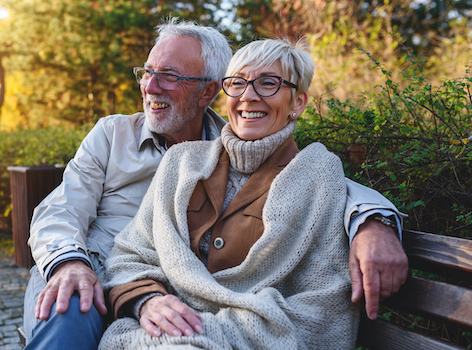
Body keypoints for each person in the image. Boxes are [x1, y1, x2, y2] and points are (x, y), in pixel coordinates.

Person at [23, 19, 407, 349]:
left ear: (208, 91)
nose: (151, 86)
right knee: (68, 306)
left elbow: (316, 179)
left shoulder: (235, 144)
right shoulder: (115, 135)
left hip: (166, 307)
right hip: (88, 272)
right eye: (147, 72)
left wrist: (375, 220)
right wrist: (70, 263)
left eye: (169, 75)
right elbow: (62, 207)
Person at [101, 36, 358, 349]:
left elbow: (321, 307)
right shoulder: (181, 163)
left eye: (268, 83)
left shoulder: (318, 175)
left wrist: (202, 333)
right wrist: (147, 301)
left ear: (299, 102)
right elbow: (131, 254)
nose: (248, 96)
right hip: (152, 335)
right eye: (237, 83)